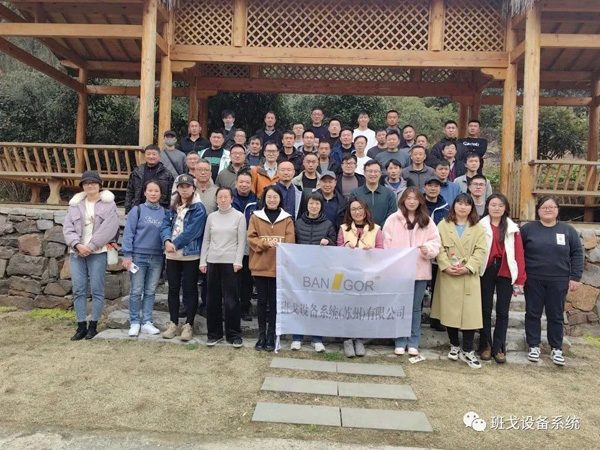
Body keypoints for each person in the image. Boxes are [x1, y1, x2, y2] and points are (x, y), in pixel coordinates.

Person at [521, 196, 584, 366]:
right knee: (532, 313)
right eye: (544, 207)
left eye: (551, 207)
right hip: (533, 279)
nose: (548, 210)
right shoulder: (528, 229)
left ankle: (556, 348)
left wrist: (575, 277)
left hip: (559, 280)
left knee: (555, 315)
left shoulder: (567, 230)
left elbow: (577, 253)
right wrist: (520, 277)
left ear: (557, 210)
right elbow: (518, 254)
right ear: (538, 210)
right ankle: (533, 345)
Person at [430, 193, 487, 369]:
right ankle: (454, 344)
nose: (463, 207)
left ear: (471, 207)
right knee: (450, 311)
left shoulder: (478, 227)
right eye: (460, 203)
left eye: (467, 204)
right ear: (454, 205)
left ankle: (468, 349)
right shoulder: (443, 225)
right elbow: (438, 247)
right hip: (449, 274)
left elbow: (480, 250)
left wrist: (468, 267)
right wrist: (446, 266)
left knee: (470, 314)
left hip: (468, 274)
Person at [383, 188, 441, 356]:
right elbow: (386, 243)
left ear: (420, 201)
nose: (411, 201)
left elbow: (436, 242)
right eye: (408, 198)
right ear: (403, 200)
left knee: (415, 308)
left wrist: (428, 249)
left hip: (420, 270)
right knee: (400, 307)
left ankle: (413, 341)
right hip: (399, 272)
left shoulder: (427, 220)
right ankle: (400, 341)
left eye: (415, 199)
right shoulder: (393, 220)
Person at [63, 171, 119, 340]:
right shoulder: (75, 205)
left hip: (98, 251)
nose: (90, 185)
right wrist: (77, 245)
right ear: (82, 186)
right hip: (77, 252)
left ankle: (93, 325)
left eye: (93, 182)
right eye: (86, 183)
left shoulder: (109, 205)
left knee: (96, 289)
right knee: (79, 289)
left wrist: (91, 246)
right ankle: (81, 325)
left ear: (99, 185)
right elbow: (67, 228)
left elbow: (109, 228)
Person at [479, 194, 526, 364]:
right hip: (486, 269)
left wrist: (520, 278)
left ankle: (499, 347)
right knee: (484, 309)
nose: (496, 208)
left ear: (505, 208)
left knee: (502, 311)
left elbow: (519, 254)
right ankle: (485, 345)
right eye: (493, 205)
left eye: (500, 205)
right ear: (487, 206)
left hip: (505, 269)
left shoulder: (513, 228)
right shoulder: (480, 225)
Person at [248, 185, 295, 351]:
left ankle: (271, 336)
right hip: (260, 265)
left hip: (279, 267)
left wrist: (279, 244)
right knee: (261, 302)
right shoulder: (256, 217)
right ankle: (261, 335)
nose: (272, 200)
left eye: (275, 197)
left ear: (280, 199)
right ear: (264, 199)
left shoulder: (287, 219)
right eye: (269, 197)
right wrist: (265, 243)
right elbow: (251, 238)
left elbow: (290, 242)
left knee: (275, 303)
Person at [160, 174, 207, 342]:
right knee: (173, 288)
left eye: (188, 187)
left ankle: (189, 324)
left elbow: (193, 231)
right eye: (182, 187)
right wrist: (166, 240)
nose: (185, 190)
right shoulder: (173, 205)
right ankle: (173, 322)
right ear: (178, 188)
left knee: (190, 288)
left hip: (190, 254)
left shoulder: (199, 208)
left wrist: (175, 243)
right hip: (171, 254)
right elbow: (165, 224)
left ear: (193, 188)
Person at [200, 187, 247, 348]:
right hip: (213, 261)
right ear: (216, 199)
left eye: (226, 197)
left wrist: (238, 261)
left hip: (231, 262)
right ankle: (214, 333)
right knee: (212, 300)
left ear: (231, 199)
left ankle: (234, 334)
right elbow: (206, 240)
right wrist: (203, 261)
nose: (223, 200)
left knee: (231, 300)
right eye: (220, 197)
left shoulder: (239, 216)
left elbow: (242, 241)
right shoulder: (211, 217)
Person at [337, 198, 383, 358]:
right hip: (347, 275)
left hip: (368, 276)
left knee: (363, 308)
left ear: (365, 210)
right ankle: (347, 339)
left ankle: (360, 340)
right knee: (347, 307)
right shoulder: (343, 228)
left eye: (360, 208)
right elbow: (337, 249)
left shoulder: (376, 229)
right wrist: (345, 247)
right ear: (349, 212)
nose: (357, 212)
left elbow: (382, 250)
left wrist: (373, 251)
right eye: (353, 209)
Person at [291, 192, 337, 353]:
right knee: (299, 304)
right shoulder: (298, 223)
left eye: (317, 203)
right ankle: (297, 337)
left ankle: (317, 339)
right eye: (311, 203)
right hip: (300, 271)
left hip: (320, 272)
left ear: (321, 206)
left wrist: (328, 241)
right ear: (306, 205)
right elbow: (292, 244)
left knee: (318, 305)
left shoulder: (328, 224)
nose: (314, 206)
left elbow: (335, 245)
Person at [122, 180, 166, 337]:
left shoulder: (165, 213)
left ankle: (147, 321)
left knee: (150, 290)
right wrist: (127, 255)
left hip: (157, 257)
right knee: (136, 290)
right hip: (138, 256)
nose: (153, 193)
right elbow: (128, 233)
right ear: (145, 192)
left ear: (161, 194)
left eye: (156, 191)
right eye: (150, 190)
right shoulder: (137, 210)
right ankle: (134, 322)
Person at [423, 176, 449, 332]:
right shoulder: (418, 205)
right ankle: (416, 318)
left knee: (437, 288)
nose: (433, 188)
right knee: (420, 287)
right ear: (425, 187)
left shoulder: (446, 208)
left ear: (440, 188)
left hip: (439, 252)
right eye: (430, 185)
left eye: (436, 186)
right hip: (421, 252)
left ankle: (436, 318)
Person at [232, 172, 258, 321]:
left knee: (247, 279)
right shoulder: (229, 198)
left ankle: (244, 308)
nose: (244, 185)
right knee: (232, 278)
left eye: (247, 182)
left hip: (249, 246)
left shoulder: (257, 201)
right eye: (241, 182)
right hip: (231, 244)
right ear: (236, 182)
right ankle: (232, 308)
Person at [125, 144, 173, 213]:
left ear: (159, 156)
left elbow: (170, 194)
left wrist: (169, 211)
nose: (151, 156)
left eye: (154, 154)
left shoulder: (167, 174)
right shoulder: (137, 172)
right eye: (148, 154)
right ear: (145, 155)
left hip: (160, 210)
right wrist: (127, 211)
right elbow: (130, 191)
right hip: (139, 208)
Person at [350, 160, 397, 227]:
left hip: (384, 230)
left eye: (376, 171)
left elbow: (392, 214)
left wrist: (379, 229)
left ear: (380, 173)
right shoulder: (355, 193)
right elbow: (353, 213)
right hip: (362, 230)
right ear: (364, 173)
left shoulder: (389, 193)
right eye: (369, 171)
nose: (373, 174)